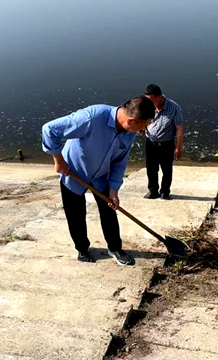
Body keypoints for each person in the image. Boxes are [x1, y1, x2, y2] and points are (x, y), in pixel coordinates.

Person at [42, 97, 155, 265]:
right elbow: (50, 129)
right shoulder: (92, 117)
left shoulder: (128, 132)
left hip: (102, 175)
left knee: (109, 210)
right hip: (73, 171)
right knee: (75, 215)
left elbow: (120, 162)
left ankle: (115, 248)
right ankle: (82, 249)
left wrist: (114, 190)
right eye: (142, 126)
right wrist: (58, 159)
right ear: (131, 120)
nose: (142, 131)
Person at [141, 84, 184, 200]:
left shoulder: (174, 108)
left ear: (159, 97)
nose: (148, 103)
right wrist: (141, 128)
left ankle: (165, 192)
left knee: (166, 169)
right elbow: (143, 120)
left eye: (151, 100)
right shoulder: (147, 106)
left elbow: (179, 128)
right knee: (151, 168)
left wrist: (178, 148)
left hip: (166, 144)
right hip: (151, 142)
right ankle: (153, 191)